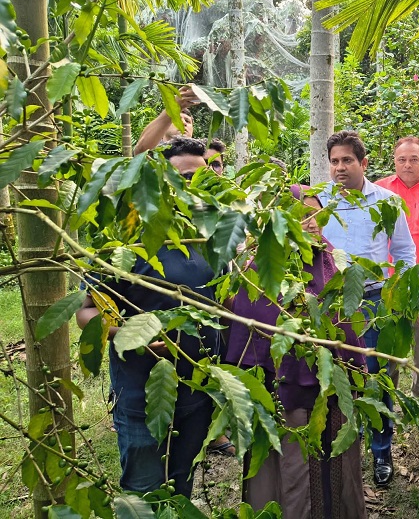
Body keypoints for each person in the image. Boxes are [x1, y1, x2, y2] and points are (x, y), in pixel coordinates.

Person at [75, 137, 221, 497]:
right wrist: (129, 332)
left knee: (181, 486)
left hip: (197, 393)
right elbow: (85, 311)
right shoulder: (125, 241)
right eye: (183, 178)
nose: (193, 187)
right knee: (144, 490)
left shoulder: (210, 236)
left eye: (200, 178)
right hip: (140, 396)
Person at [226, 186, 367, 517]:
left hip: (331, 392)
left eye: (316, 214)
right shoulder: (261, 269)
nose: (312, 222)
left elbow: (348, 321)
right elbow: (254, 328)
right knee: (291, 466)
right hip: (283, 393)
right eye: (301, 216)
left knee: (333, 461)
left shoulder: (331, 260)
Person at [317, 130, 415, 487]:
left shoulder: (387, 202)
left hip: (373, 301)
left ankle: (381, 449)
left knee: (377, 377)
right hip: (331, 303)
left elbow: (404, 252)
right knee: (335, 374)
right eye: (334, 162)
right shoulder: (318, 202)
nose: (340, 168)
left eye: (347, 160)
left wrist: (396, 292)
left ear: (364, 163)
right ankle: (341, 444)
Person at [376, 136, 419, 398]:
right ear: (394, 161)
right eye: (402, 159)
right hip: (388, 279)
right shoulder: (379, 191)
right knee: (389, 338)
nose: (407, 164)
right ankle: (386, 394)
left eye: (414, 159)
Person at [133, 85, 199, 154]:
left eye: (187, 121)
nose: (183, 123)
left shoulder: (201, 153)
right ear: (165, 126)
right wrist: (174, 105)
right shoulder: (155, 153)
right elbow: (142, 151)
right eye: (177, 120)